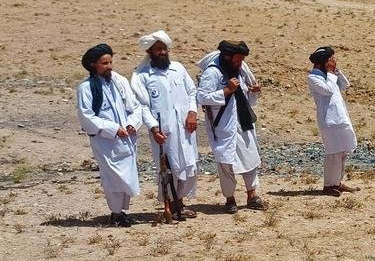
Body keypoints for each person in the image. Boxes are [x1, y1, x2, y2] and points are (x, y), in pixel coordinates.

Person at [130, 30, 199, 222]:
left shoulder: (178, 68)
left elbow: (192, 92)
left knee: (189, 165)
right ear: (149, 52)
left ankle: (180, 203)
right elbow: (142, 106)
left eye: (164, 48)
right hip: (163, 131)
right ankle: (171, 205)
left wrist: (192, 113)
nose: (162, 52)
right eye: (157, 49)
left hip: (186, 127)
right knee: (169, 168)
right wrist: (153, 128)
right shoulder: (143, 76)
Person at [76, 43, 142, 227]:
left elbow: (135, 106)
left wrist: (132, 123)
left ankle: (121, 212)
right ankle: (116, 213)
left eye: (111, 62)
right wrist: (113, 129)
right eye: (104, 63)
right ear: (93, 65)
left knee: (126, 175)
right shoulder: (86, 88)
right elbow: (87, 117)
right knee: (112, 177)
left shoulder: (119, 81)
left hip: (126, 138)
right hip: (105, 141)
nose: (109, 66)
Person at [196, 40, 265, 213]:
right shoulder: (212, 72)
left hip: (243, 120)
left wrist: (254, 90)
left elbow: (245, 91)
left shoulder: (240, 69)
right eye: (238, 58)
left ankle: (252, 195)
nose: (241, 62)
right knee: (226, 162)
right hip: (223, 125)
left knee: (250, 157)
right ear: (227, 56)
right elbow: (202, 97)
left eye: (242, 58)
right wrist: (226, 90)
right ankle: (230, 199)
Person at [307, 46, 359, 196]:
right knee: (333, 153)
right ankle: (328, 185)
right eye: (330, 60)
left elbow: (345, 84)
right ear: (322, 62)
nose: (333, 62)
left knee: (342, 152)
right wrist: (330, 73)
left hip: (340, 118)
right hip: (329, 121)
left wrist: (335, 71)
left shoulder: (329, 76)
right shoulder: (313, 78)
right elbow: (328, 90)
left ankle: (337, 183)